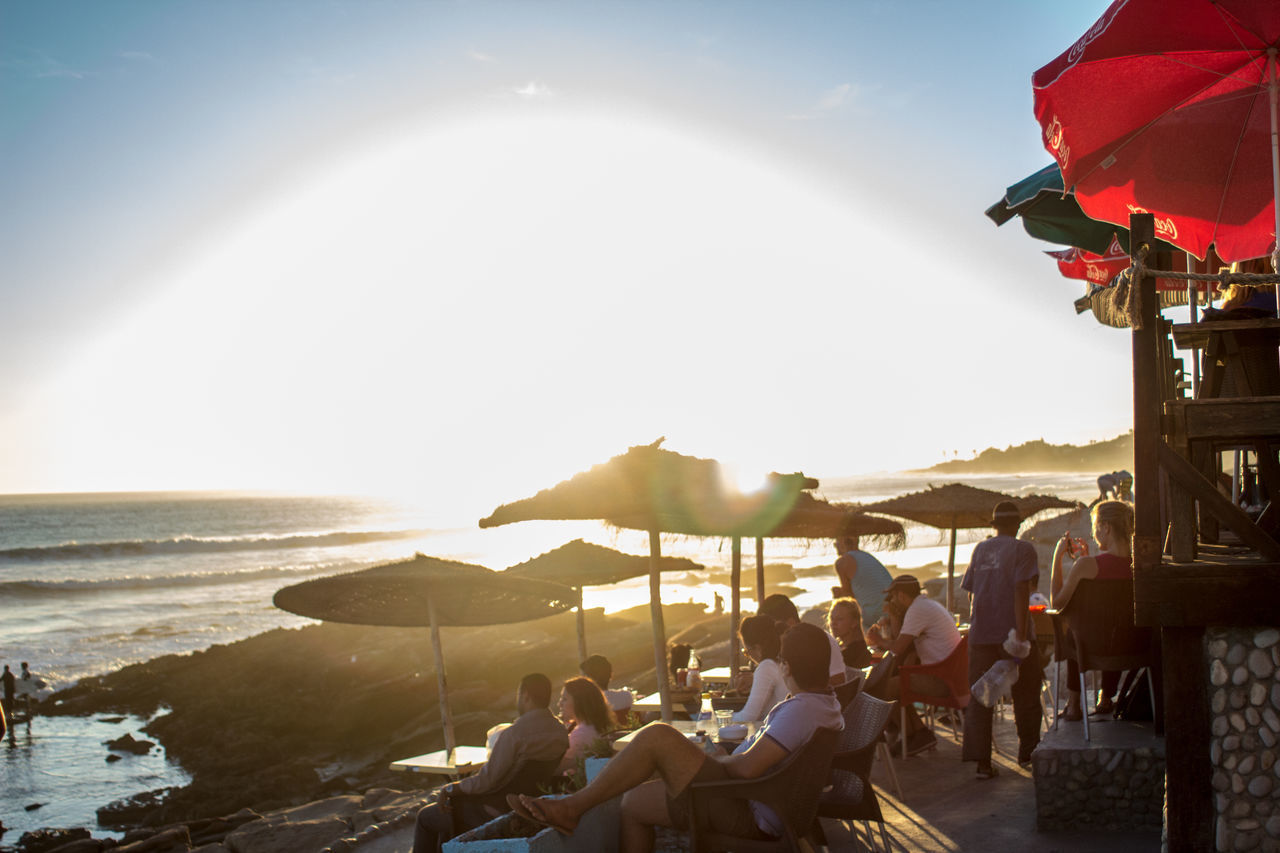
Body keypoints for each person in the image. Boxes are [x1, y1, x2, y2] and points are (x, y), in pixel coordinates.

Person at [508, 623, 843, 853]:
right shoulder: (824, 704)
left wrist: (716, 759)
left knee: (658, 736)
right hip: (763, 801)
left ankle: (571, 806)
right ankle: (571, 806)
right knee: (633, 803)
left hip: (750, 807)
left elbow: (746, 770)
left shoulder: (802, 711)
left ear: (786, 667)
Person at [412, 673, 569, 853]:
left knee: (425, 817)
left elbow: (487, 781)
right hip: (528, 807)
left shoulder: (514, 734)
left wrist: (450, 788)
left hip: (494, 810)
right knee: (445, 816)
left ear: (525, 695)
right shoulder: (560, 732)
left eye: (518, 695)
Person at [960, 501, 1041, 777]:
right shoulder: (1023, 549)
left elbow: (972, 593)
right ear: (1018, 525)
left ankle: (982, 763)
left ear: (993, 526)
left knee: (981, 697)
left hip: (980, 633)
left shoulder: (980, 549)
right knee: (1027, 693)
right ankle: (1028, 753)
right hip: (1011, 633)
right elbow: (1022, 590)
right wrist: (1020, 634)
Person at [1050, 500, 1136, 720]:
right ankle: (1106, 697)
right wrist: (1087, 559)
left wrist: (1057, 558)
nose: (1095, 533)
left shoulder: (1088, 566)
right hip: (1134, 644)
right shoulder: (1139, 564)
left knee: (1075, 631)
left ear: (1106, 527)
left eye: (1096, 527)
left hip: (1091, 648)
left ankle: (1074, 705)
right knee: (1116, 625)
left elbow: (1057, 602)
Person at [871, 575, 963, 756]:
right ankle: (914, 734)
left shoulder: (917, 610)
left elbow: (897, 648)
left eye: (893, 597)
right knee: (892, 685)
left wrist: (878, 640)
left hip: (942, 680)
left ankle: (917, 733)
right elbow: (902, 642)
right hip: (953, 676)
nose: (892, 601)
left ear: (901, 595)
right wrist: (893, 615)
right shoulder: (927, 605)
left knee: (884, 689)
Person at [755, 594, 845, 686]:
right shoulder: (786, 644)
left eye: (775, 628)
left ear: (790, 623)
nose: (771, 634)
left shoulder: (820, 640)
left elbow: (838, 681)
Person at [733, 615, 790, 722]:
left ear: (758, 648)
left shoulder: (767, 666)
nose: (749, 657)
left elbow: (748, 717)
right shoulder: (782, 663)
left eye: (747, 652)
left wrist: (718, 718)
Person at [831, 536, 893, 629]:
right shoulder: (866, 556)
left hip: (875, 613)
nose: (835, 547)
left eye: (836, 544)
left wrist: (838, 593)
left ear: (843, 542)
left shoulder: (842, 562)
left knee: (845, 623)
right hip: (892, 607)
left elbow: (848, 596)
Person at [557, 677, 616, 774]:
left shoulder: (581, 734)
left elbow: (556, 769)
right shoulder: (600, 724)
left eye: (564, 699)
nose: (559, 704)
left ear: (579, 703)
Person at [826, 598, 873, 668]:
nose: (833, 623)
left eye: (840, 619)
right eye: (831, 618)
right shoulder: (858, 646)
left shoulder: (850, 655)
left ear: (854, 623)